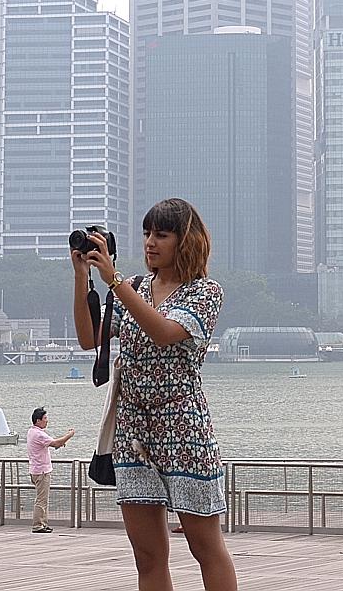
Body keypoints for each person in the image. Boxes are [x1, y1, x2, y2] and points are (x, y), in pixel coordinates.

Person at [72, 198, 236, 591]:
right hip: (133, 434)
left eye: (161, 234)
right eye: (147, 233)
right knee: (146, 555)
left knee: (204, 545)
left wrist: (114, 283)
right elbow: (86, 339)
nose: (150, 242)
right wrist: (83, 277)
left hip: (183, 430)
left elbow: (163, 333)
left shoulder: (205, 292)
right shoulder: (134, 288)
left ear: (186, 240)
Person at [26, 407, 74, 533]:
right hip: (42, 471)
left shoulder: (32, 432)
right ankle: (38, 525)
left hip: (35, 470)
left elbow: (53, 443)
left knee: (43, 499)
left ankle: (43, 523)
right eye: (45, 418)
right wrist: (69, 435)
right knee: (41, 500)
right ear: (38, 420)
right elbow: (56, 443)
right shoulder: (39, 434)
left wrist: (59, 443)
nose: (47, 421)